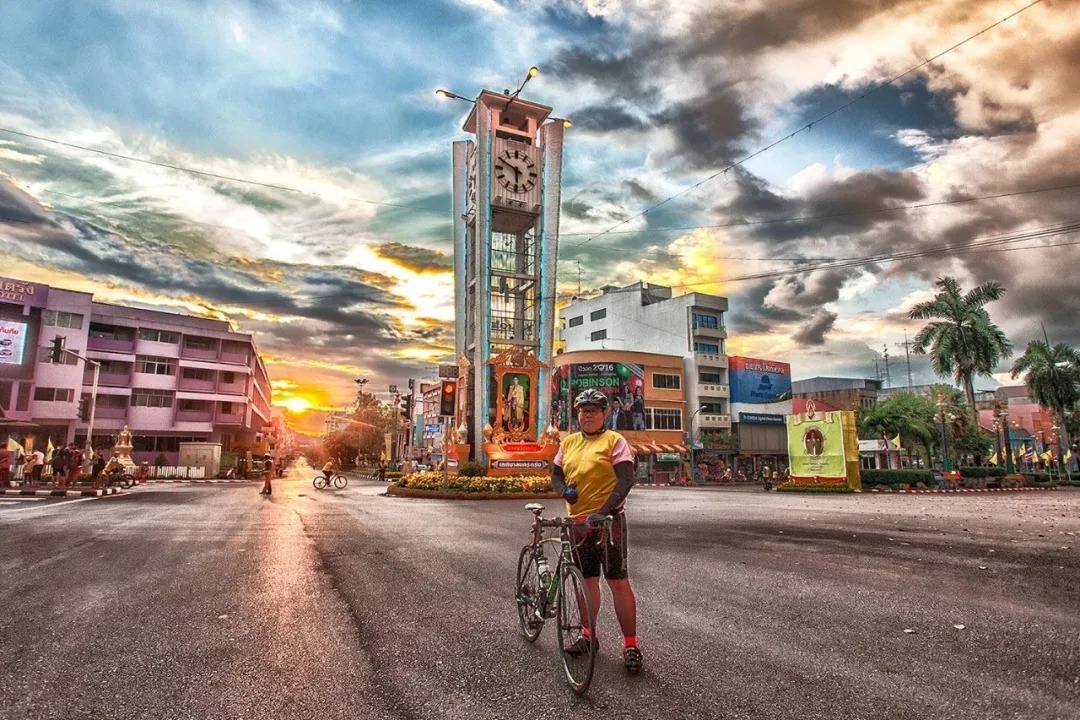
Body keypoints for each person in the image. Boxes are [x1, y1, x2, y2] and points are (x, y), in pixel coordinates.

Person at [549, 388, 643, 674]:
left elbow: (626, 479)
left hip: (608, 522)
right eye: (583, 411)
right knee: (586, 582)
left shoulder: (615, 441)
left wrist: (605, 510)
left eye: (594, 411)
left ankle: (630, 645)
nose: (587, 415)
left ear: (605, 414)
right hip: (577, 523)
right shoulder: (569, 442)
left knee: (617, 581)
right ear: (577, 415)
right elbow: (555, 473)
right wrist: (564, 490)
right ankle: (589, 637)